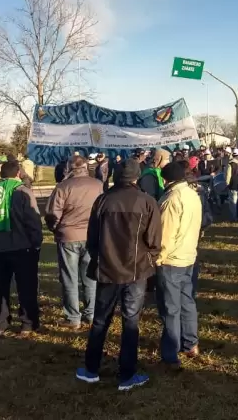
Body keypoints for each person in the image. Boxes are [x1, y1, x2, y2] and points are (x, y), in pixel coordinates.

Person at [78, 159, 161, 391]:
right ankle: (126, 375)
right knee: (130, 321)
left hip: (108, 269)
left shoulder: (103, 200)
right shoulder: (147, 201)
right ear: (137, 177)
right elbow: (154, 241)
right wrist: (149, 259)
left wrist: (100, 257)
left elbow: (92, 239)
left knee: (101, 320)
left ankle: (91, 368)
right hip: (135, 271)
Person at [0, 161, 43, 337]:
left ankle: (0, 324)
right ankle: (27, 324)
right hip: (20, 246)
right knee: (26, 286)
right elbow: (32, 220)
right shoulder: (21, 191)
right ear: (18, 174)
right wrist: (36, 242)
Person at [45, 154, 103, 330]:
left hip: (68, 235)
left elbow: (52, 214)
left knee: (69, 278)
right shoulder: (98, 185)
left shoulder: (63, 187)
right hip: (91, 236)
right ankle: (91, 314)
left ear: (69, 168)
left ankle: (73, 317)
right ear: (86, 167)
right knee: (90, 276)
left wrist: (56, 228)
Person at [155, 161, 203, 369]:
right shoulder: (193, 194)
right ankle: (190, 343)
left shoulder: (171, 199)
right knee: (187, 302)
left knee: (170, 308)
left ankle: (170, 353)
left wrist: (158, 259)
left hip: (171, 260)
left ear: (167, 179)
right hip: (188, 256)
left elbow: (165, 235)